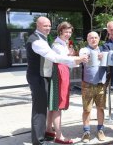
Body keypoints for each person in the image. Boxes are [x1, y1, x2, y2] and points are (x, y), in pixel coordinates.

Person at [26, 16, 88, 145]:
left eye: (49, 25)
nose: (48, 28)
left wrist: (75, 59)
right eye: (45, 26)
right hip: (38, 76)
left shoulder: (43, 39)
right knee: (40, 109)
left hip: (42, 75)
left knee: (45, 107)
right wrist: (78, 59)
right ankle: (39, 141)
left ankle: (47, 132)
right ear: (38, 25)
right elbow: (55, 57)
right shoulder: (36, 41)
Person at [45, 21, 75, 144]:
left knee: (53, 105)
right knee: (58, 105)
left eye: (70, 32)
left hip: (61, 73)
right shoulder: (57, 45)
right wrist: (75, 57)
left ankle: (48, 130)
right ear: (60, 31)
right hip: (58, 74)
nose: (68, 34)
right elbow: (65, 60)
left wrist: (70, 53)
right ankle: (59, 136)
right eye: (66, 32)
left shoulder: (63, 43)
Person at [79, 31, 107, 143]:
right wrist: (84, 57)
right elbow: (82, 55)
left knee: (100, 108)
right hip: (87, 84)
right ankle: (86, 132)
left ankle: (100, 130)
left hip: (101, 84)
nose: (93, 39)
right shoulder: (84, 50)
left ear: (99, 39)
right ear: (87, 39)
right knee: (87, 110)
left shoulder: (103, 50)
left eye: (96, 37)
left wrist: (104, 56)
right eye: (91, 37)